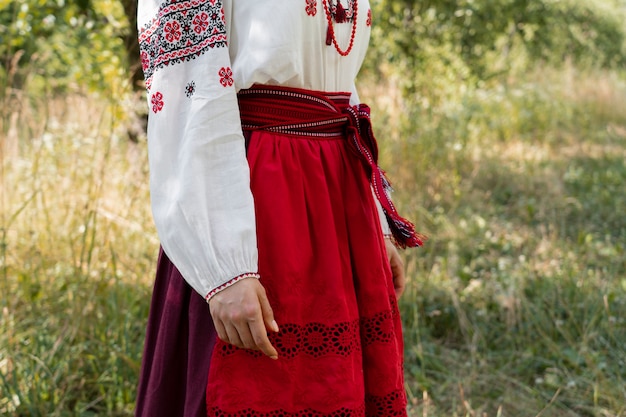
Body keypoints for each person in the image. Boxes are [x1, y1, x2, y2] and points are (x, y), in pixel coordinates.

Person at [134, 1, 425, 416]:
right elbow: (187, 93)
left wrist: (375, 221)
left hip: (335, 193)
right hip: (256, 196)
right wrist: (226, 268)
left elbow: (336, 85)